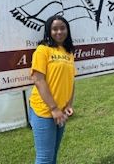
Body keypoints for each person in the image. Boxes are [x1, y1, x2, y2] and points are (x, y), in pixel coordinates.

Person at [29, 15, 76, 163]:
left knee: (53, 155)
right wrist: (54, 108)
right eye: (54, 29)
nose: (59, 32)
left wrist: (68, 104)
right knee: (44, 158)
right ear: (49, 31)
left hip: (60, 111)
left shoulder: (68, 52)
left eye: (62, 28)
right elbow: (38, 80)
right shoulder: (42, 50)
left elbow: (71, 81)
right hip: (45, 110)